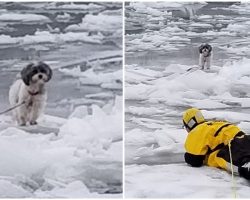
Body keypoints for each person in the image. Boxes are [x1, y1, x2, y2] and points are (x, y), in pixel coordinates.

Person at [183, 107, 250, 180]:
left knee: (244, 167)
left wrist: (187, 156)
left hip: (233, 148)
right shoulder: (214, 124)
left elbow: (194, 160)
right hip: (245, 138)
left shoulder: (196, 131)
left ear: (188, 124)